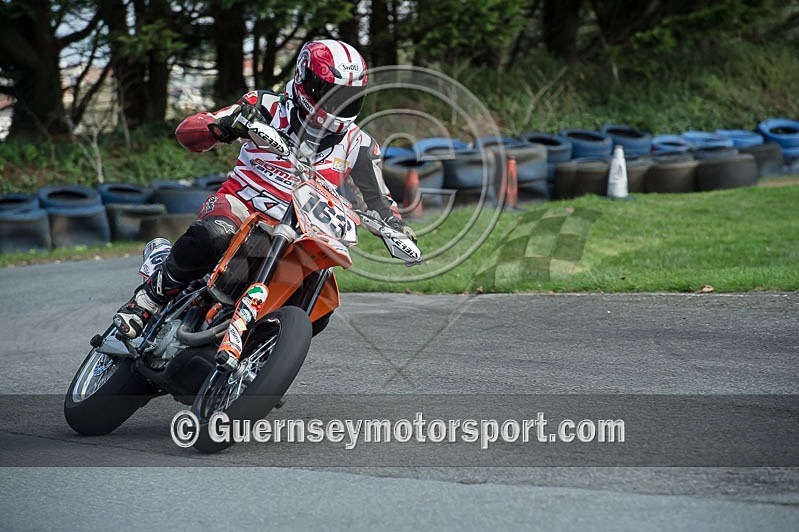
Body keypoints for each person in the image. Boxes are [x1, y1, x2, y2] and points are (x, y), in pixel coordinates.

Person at [114, 39, 415, 339]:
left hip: (300, 233)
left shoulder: (359, 145)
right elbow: (189, 131)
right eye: (329, 94)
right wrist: (226, 126)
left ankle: (252, 355)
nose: (338, 106)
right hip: (240, 206)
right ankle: (145, 302)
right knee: (216, 234)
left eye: (349, 97)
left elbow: (378, 199)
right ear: (303, 82)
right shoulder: (266, 106)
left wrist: (395, 226)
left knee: (319, 305)